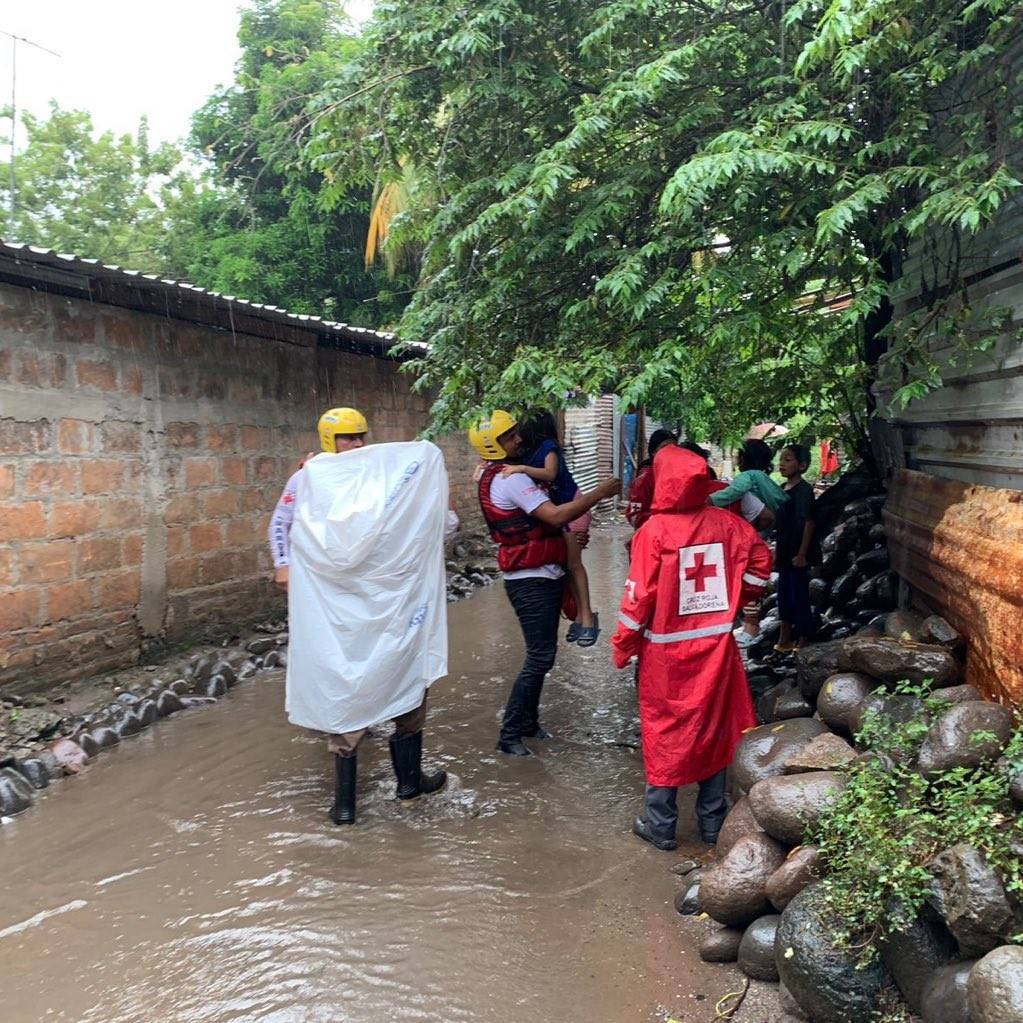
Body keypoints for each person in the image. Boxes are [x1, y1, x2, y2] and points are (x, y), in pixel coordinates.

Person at [269, 407, 451, 826]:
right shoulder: (308, 478)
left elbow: (427, 522)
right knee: (344, 685)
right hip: (336, 604)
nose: (357, 445)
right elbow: (281, 523)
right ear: (329, 440)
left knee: (407, 675)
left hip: (389, 599)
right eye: (348, 439)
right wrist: (284, 564)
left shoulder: (383, 476)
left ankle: (409, 784)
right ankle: (345, 804)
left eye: (361, 437)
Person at [611, 445, 772, 850]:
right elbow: (760, 563)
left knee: (664, 731)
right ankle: (712, 824)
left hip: (665, 656)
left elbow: (637, 599)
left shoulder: (653, 532)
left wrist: (622, 647)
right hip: (716, 649)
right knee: (715, 731)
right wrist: (737, 602)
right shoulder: (728, 525)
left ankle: (661, 825)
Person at [469, 410, 621, 756]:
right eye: (509, 437)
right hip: (531, 579)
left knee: (543, 656)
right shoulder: (511, 479)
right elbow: (554, 515)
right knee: (540, 657)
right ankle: (509, 735)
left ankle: (528, 723)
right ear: (494, 445)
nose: (518, 440)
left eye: (515, 434)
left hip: (538, 574)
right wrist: (601, 492)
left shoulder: (495, 474)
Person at [501, 409, 600, 646]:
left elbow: (550, 473)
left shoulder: (548, 447)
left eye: (521, 430)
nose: (518, 437)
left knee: (574, 565)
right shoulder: (526, 452)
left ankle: (587, 620)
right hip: (558, 513)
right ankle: (578, 616)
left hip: (573, 510)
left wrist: (522, 469)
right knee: (565, 568)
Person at [774, 443, 819, 652]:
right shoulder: (783, 490)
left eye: (788, 460)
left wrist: (802, 554)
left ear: (801, 465)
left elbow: (809, 522)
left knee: (798, 595)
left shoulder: (803, 490)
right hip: (784, 551)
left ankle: (804, 640)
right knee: (783, 595)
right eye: (781, 459)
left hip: (797, 553)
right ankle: (784, 639)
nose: (782, 464)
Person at [709, 439, 788, 513]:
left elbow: (735, 491)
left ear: (742, 458)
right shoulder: (762, 476)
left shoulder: (748, 475)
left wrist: (711, 500)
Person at [626, 429, 678, 532]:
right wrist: (662, 520)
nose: (670, 452)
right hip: (653, 534)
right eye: (664, 448)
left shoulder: (679, 474)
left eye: (674, 448)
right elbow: (634, 513)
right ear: (654, 452)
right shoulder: (645, 478)